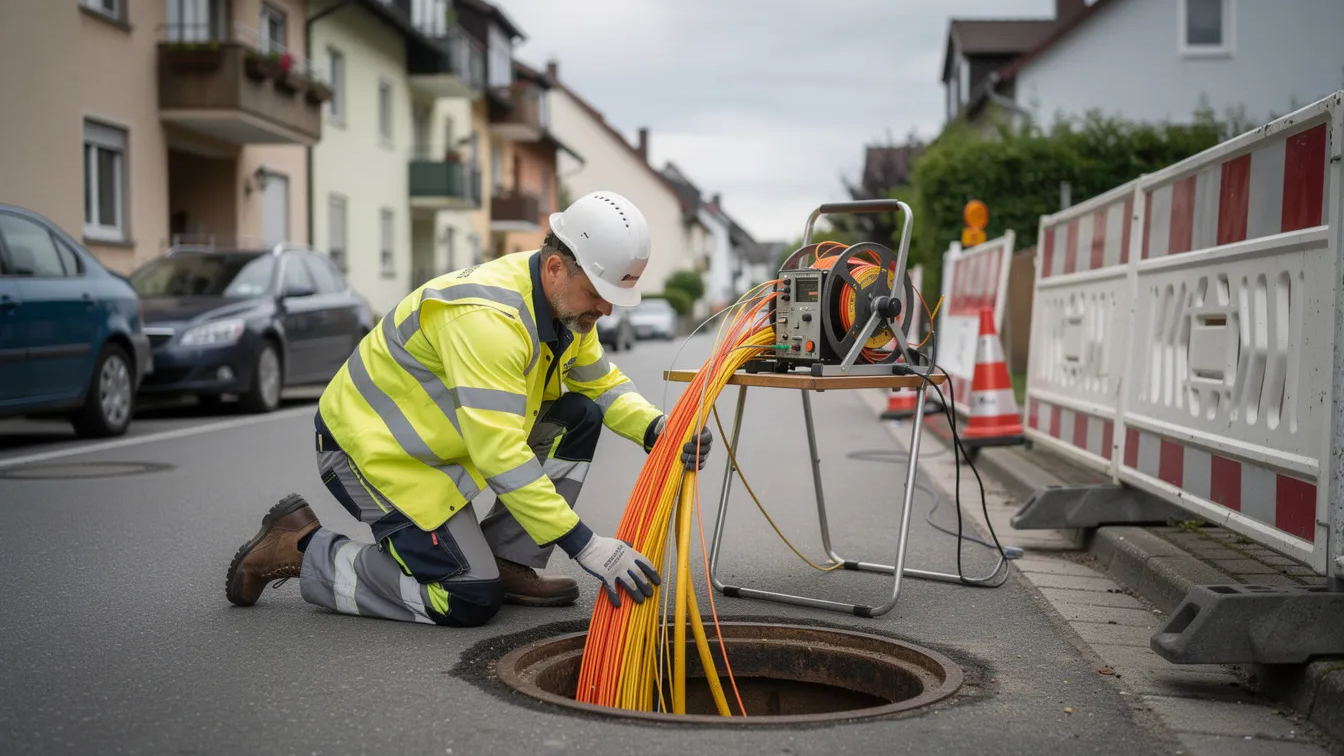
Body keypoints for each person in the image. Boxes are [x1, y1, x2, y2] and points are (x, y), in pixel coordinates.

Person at [223, 191, 713, 627]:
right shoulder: (489, 321)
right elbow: (500, 454)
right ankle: (300, 548)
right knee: (466, 597)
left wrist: (658, 430)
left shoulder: (563, 306)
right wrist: (586, 545)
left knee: (578, 416)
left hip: (439, 451)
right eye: (599, 295)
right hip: (369, 453)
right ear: (557, 267)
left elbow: (600, 384)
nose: (606, 311)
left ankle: (506, 560)